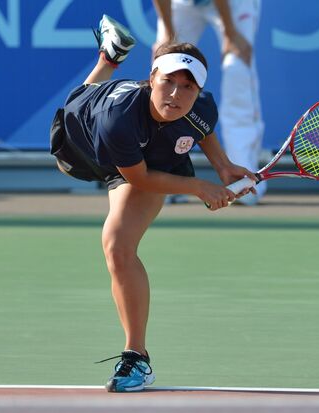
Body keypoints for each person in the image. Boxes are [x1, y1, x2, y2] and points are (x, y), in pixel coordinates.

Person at [50, 14, 256, 392]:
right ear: (151, 81)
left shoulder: (199, 107)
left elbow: (202, 129)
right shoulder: (117, 120)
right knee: (78, 102)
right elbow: (139, 178)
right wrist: (199, 187)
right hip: (88, 142)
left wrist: (223, 167)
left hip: (158, 155)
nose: (176, 95)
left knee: (117, 246)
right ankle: (108, 60)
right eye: (168, 82)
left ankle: (136, 358)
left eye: (187, 87)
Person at [153, 0, 266, 205]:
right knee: (166, 68)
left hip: (234, 4)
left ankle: (243, 179)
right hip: (182, 4)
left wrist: (230, 33)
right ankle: (166, 180)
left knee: (237, 69)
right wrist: (168, 35)